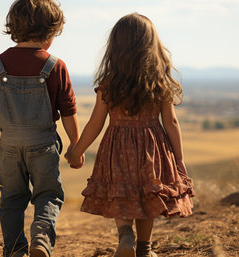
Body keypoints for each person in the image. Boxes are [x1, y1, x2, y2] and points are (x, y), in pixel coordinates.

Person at [65, 13, 194, 257]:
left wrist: (76, 151)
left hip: (117, 147)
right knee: (148, 194)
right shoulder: (159, 83)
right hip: (152, 147)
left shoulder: (109, 84)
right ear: (151, 46)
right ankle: (144, 249)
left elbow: (95, 123)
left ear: (116, 46)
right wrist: (179, 159)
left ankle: (125, 234)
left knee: (121, 192)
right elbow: (171, 122)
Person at [0, 1, 82, 256]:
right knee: (48, 193)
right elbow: (69, 111)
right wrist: (76, 147)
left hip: (9, 146)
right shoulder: (55, 66)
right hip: (43, 145)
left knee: (12, 199)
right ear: (50, 31)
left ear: (14, 27)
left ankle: (15, 249)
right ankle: (41, 235)